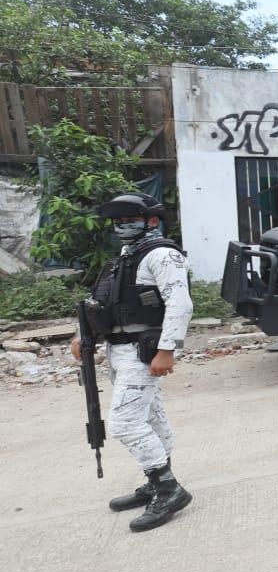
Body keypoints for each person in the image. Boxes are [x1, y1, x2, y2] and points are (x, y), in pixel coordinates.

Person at [71, 192, 194, 532]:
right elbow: (101, 303)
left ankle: (168, 488)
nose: (122, 226)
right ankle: (157, 482)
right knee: (152, 417)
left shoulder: (163, 255)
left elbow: (180, 304)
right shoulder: (125, 257)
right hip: (120, 350)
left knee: (125, 422)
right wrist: (83, 337)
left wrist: (167, 349)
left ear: (152, 220)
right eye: (117, 222)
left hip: (144, 351)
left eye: (129, 220)